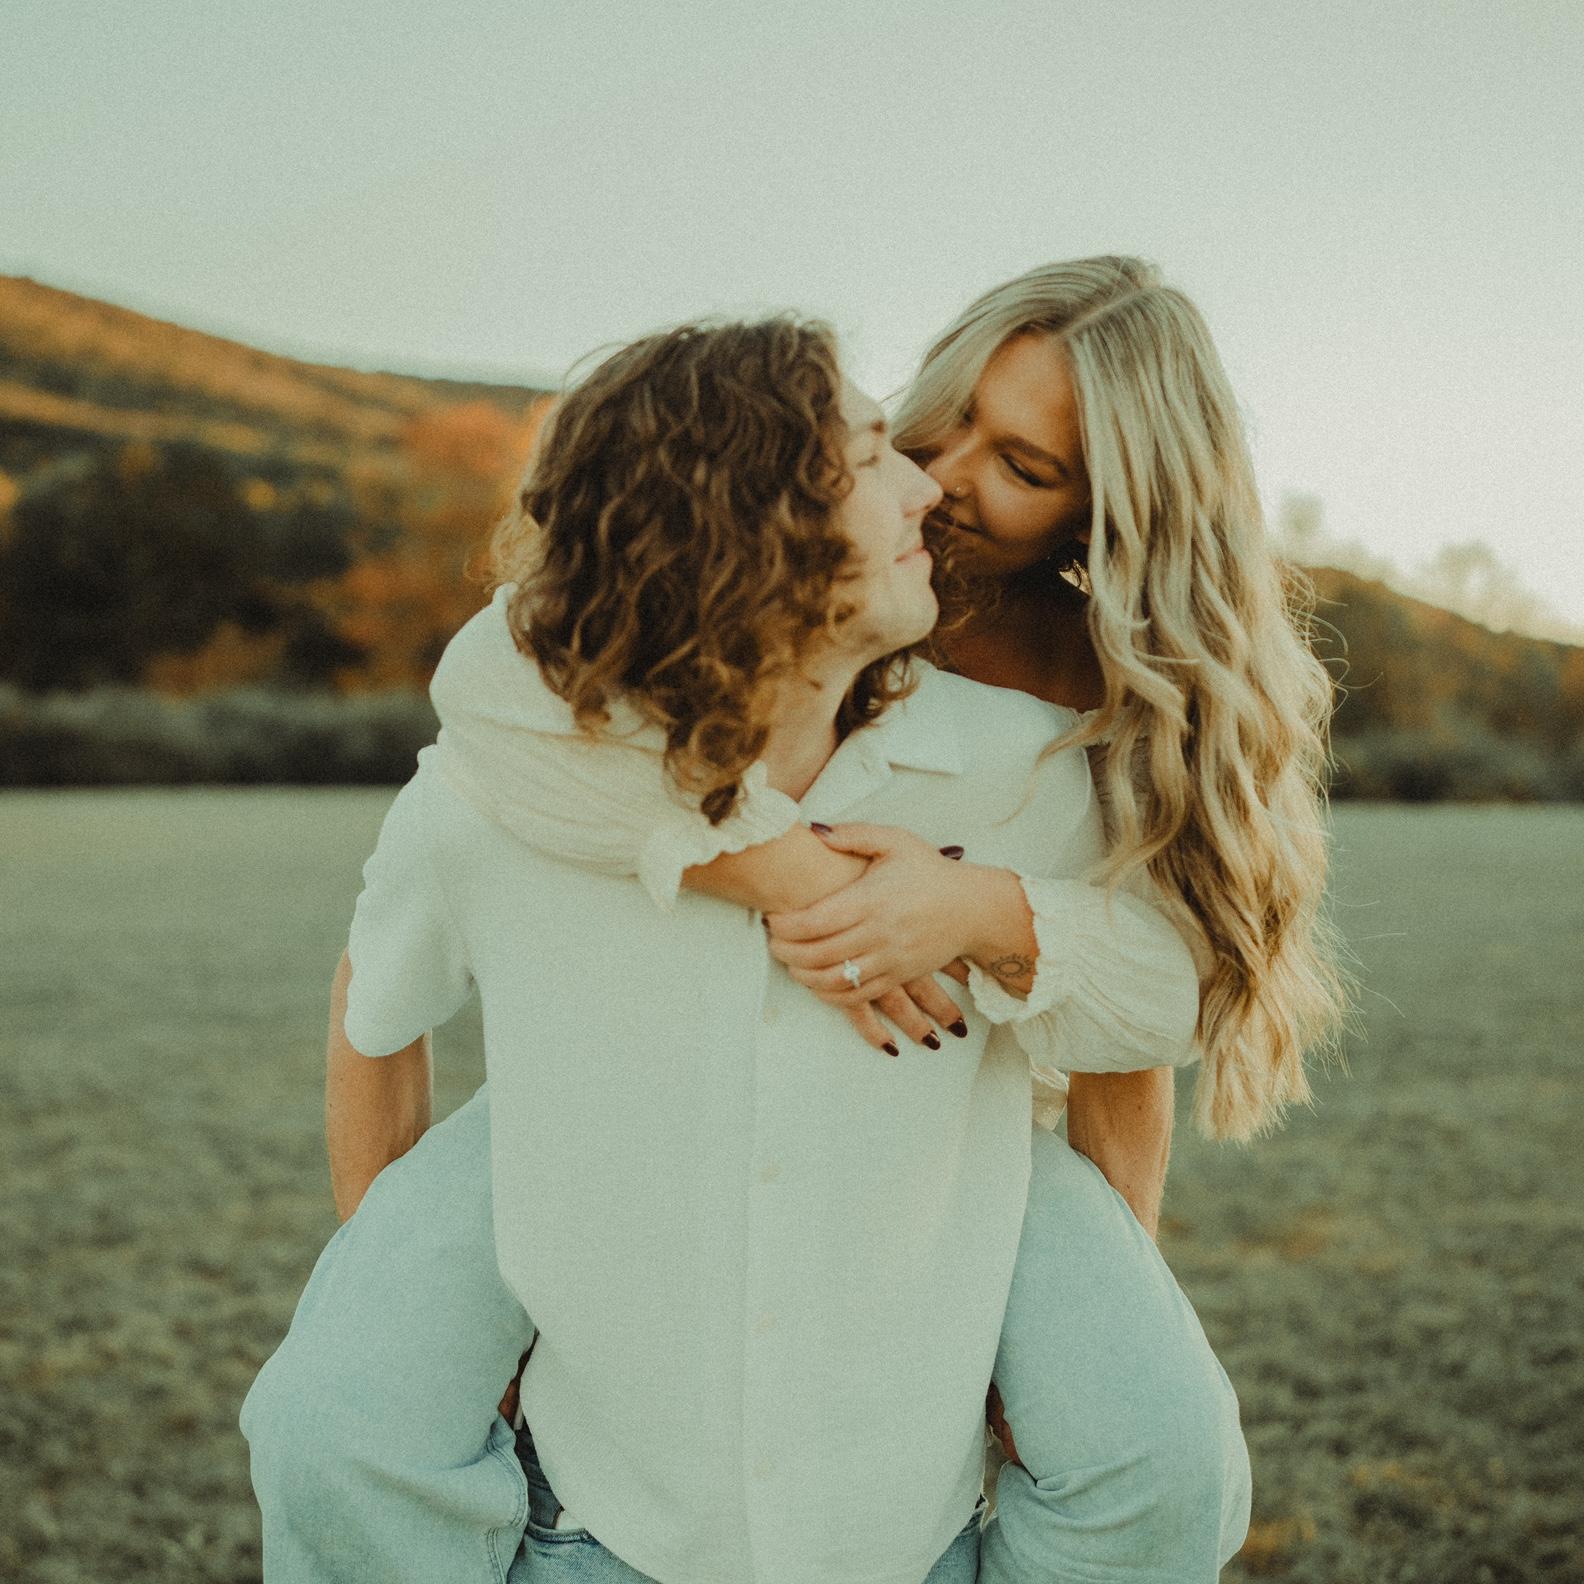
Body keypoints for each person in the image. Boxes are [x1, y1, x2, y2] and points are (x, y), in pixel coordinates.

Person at [242, 308, 1257, 1583]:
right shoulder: (507, 777)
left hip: (912, 1417)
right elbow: (467, 745)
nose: (931, 482)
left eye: (1022, 464)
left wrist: (984, 915)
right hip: (612, 1467)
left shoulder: (1038, 753)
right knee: (325, 1425)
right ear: (744, 519)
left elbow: (1159, 1004)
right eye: (888, 447)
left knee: (1172, 1459)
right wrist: (408, 1310)